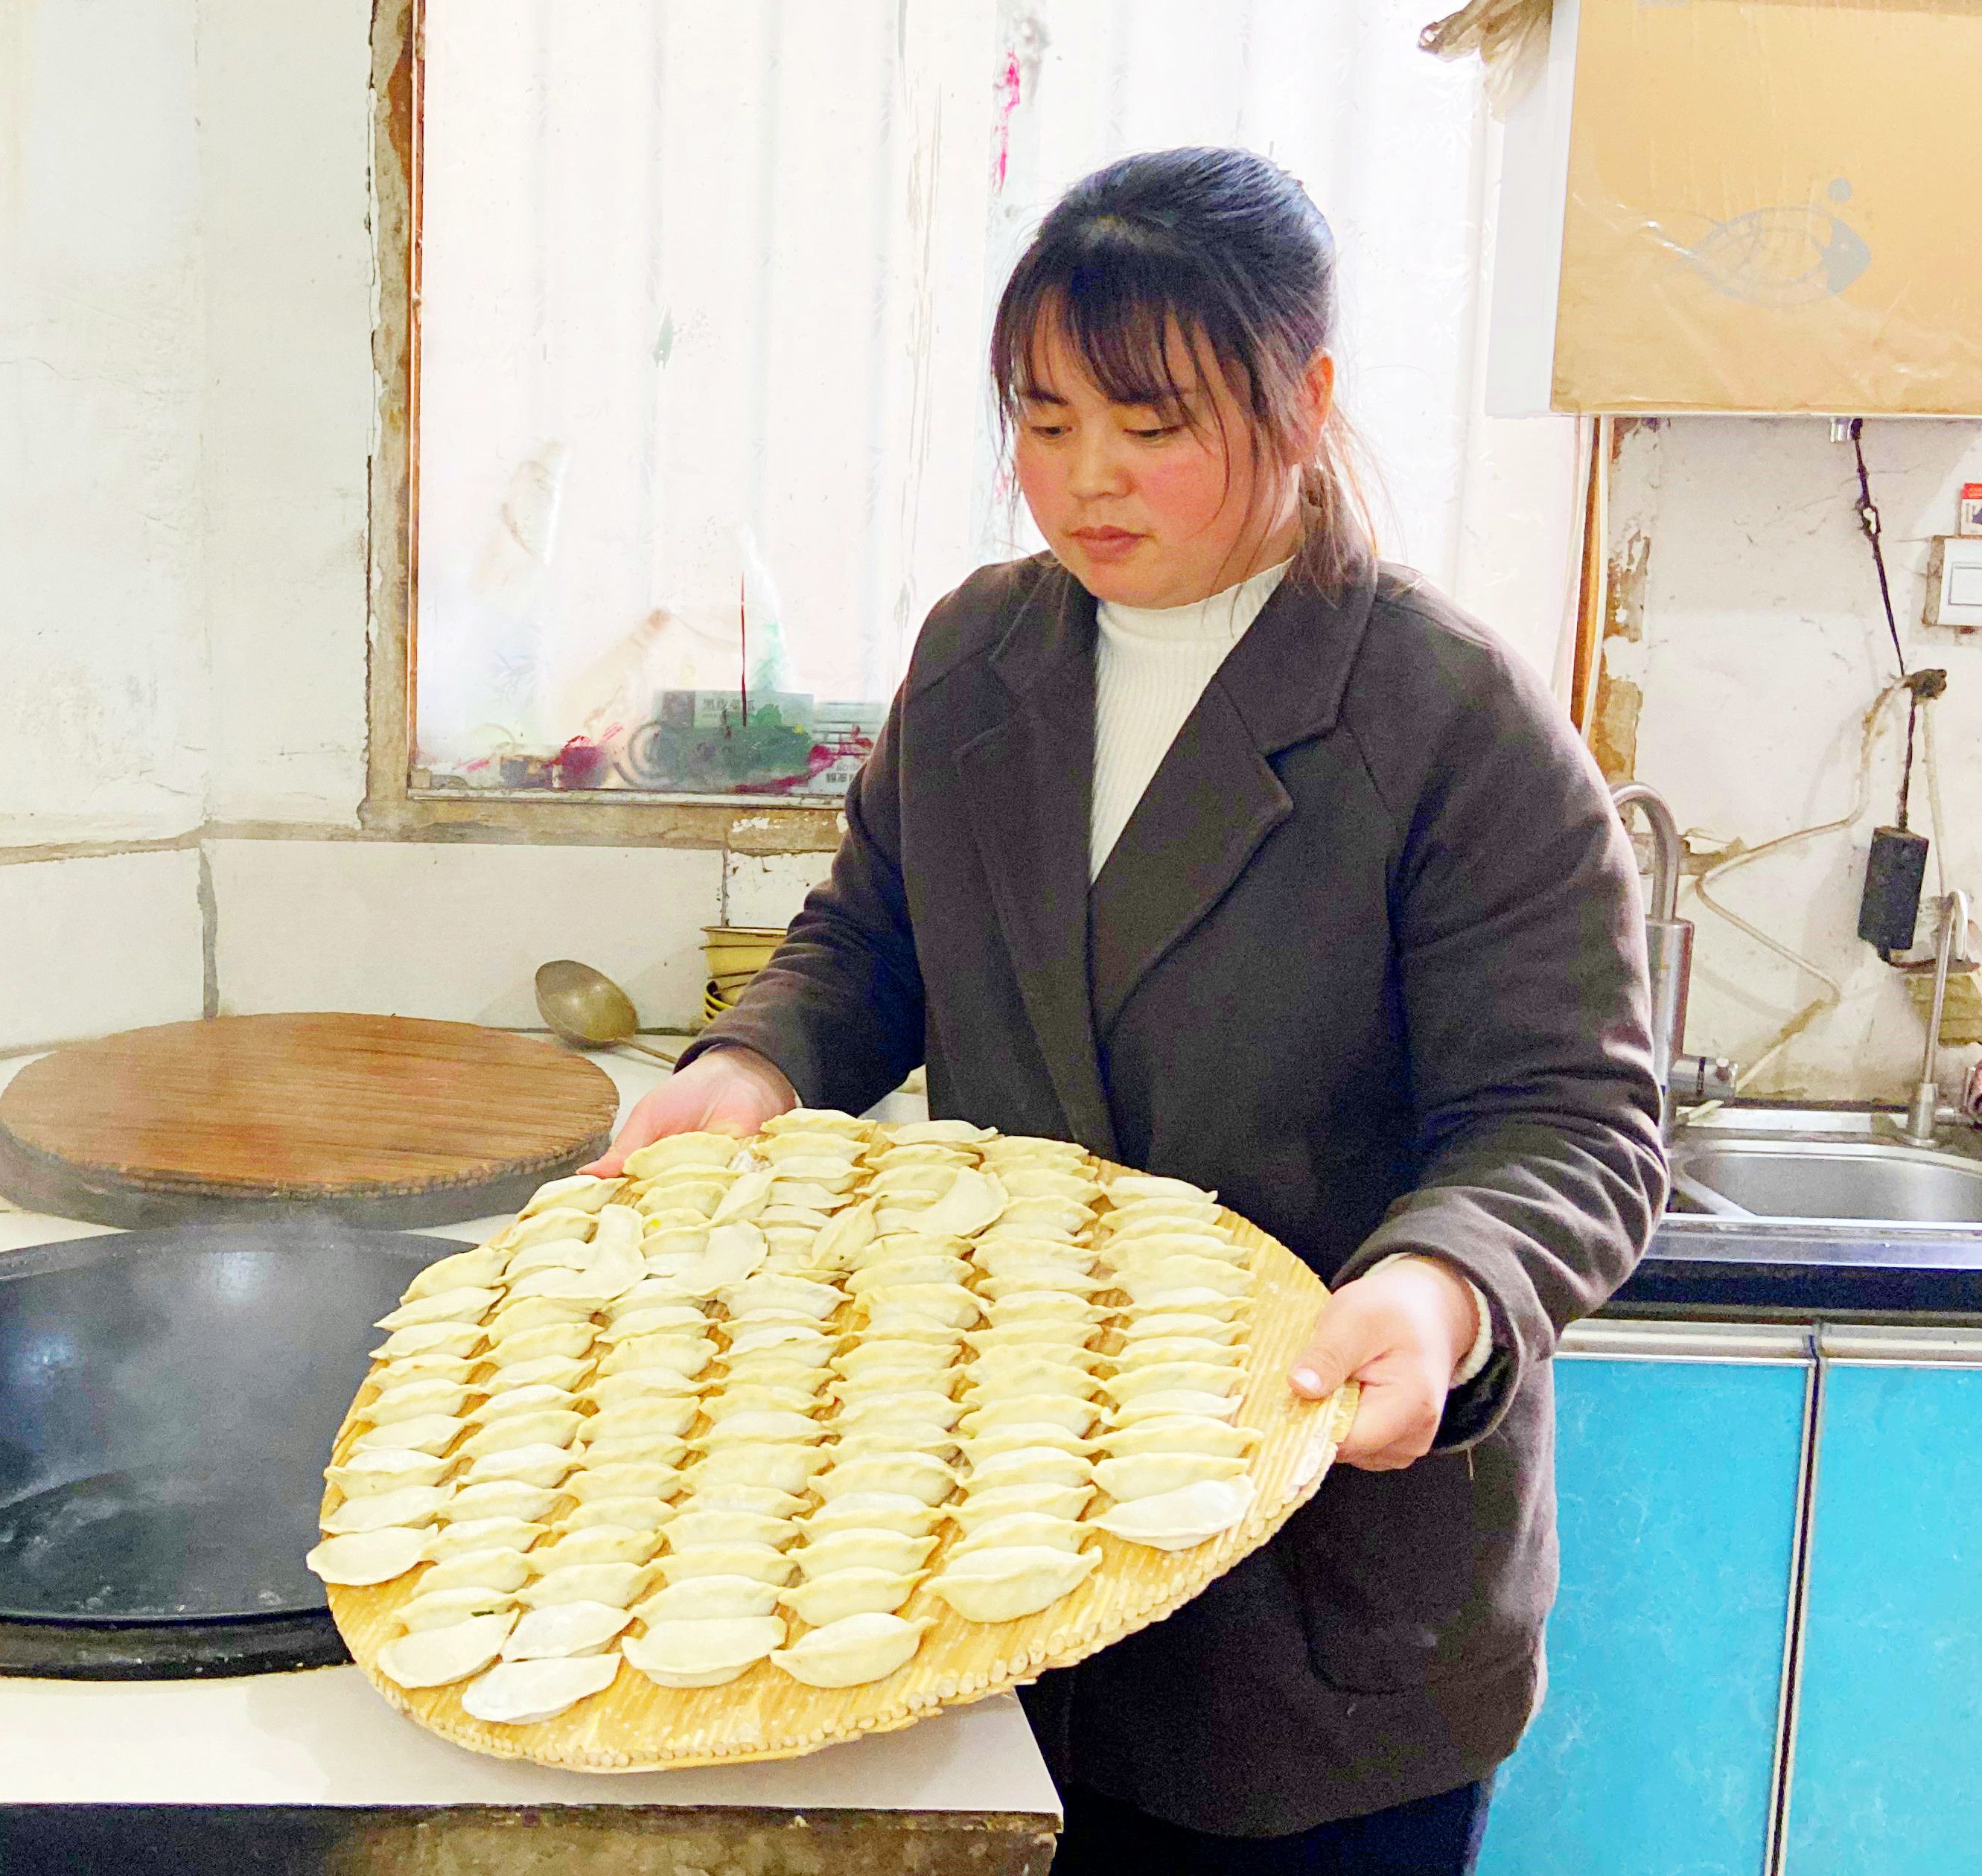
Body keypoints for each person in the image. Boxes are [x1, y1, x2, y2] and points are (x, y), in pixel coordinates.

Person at [592, 147, 1665, 1872]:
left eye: (1153, 424)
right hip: (994, 1540)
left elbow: (1574, 1117)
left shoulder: (1446, 721)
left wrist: (1444, 1285)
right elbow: (875, 936)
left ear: (1304, 400)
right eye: (1044, 416)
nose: (1085, 478)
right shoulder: (979, 659)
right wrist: (757, 1060)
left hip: (1315, 1606)